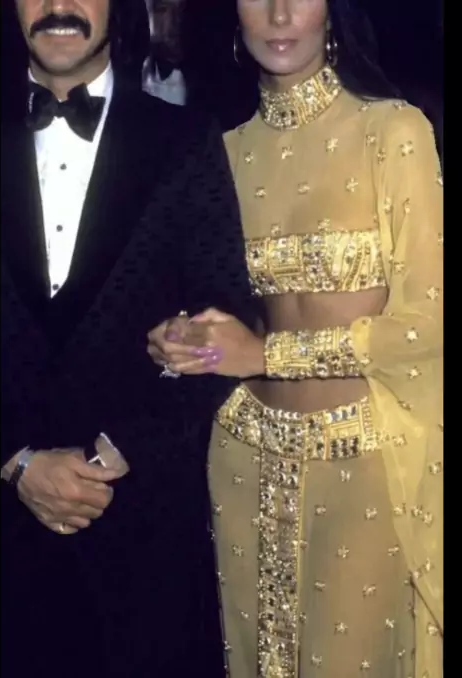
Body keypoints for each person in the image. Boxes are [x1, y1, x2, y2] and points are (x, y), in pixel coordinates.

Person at [148, 0, 443, 676]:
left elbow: (427, 324)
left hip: (365, 460)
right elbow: (229, 309)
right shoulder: (222, 151)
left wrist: (267, 354)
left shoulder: (393, 130)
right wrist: (186, 339)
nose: (279, 14)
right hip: (243, 453)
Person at [0, 1, 254, 677]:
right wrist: (16, 460)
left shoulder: (185, 139)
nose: (58, 6)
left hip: (144, 541)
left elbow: (228, 322)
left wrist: (117, 450)